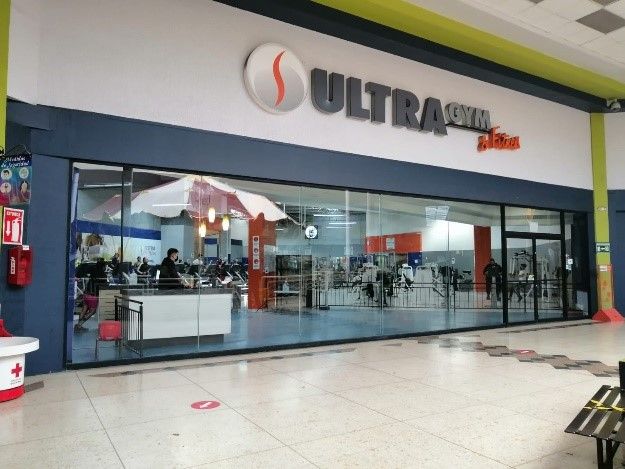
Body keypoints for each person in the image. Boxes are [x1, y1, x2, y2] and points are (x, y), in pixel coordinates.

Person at [74, 258, 107, 332]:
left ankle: (78, 326)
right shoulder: (103, 274)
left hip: (86, 294)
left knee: (84, 309)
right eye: (105, 266)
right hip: (93, 296)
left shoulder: (93, 272)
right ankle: (79, 325)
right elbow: (104, 285)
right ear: (103, 267)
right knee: (92, 311)